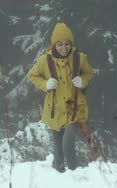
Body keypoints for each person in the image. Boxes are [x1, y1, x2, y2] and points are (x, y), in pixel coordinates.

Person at [27, 22, 95, 172]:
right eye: (59, 44)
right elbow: (32, 75)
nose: (64, 48)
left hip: (75, 109)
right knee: (58, 152)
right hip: (54, 110)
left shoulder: (79, 58)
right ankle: (58, 176)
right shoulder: (45, 60)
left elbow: (89, 72)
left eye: (67, 44)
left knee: (67, 145)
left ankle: (74, 176)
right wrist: (45, 84)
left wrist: (82, 80)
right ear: (54, 44)